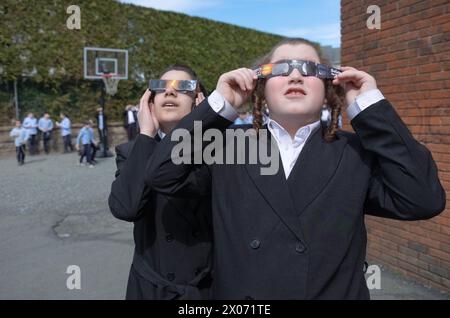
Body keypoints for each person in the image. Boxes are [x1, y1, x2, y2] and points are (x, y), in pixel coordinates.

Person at [146, 38, 446, 299]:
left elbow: (422, 199)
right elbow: (161, 174)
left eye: (309, 69)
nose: (295, 75)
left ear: (330, 86)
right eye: (280, 68)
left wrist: (368, 107)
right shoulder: (227, 145)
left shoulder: (355, 151)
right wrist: (218, 106)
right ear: (259, 88)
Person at [108, 65, 212, 300]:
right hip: (152, 289)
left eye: (184, 86)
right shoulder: (132, 151)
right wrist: (145, 133)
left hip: (208, 286)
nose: (170, 92)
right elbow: (126, 208)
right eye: (160, 86)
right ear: (149, 102)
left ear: (198, 100)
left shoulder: (221, 151)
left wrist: (202, 121)